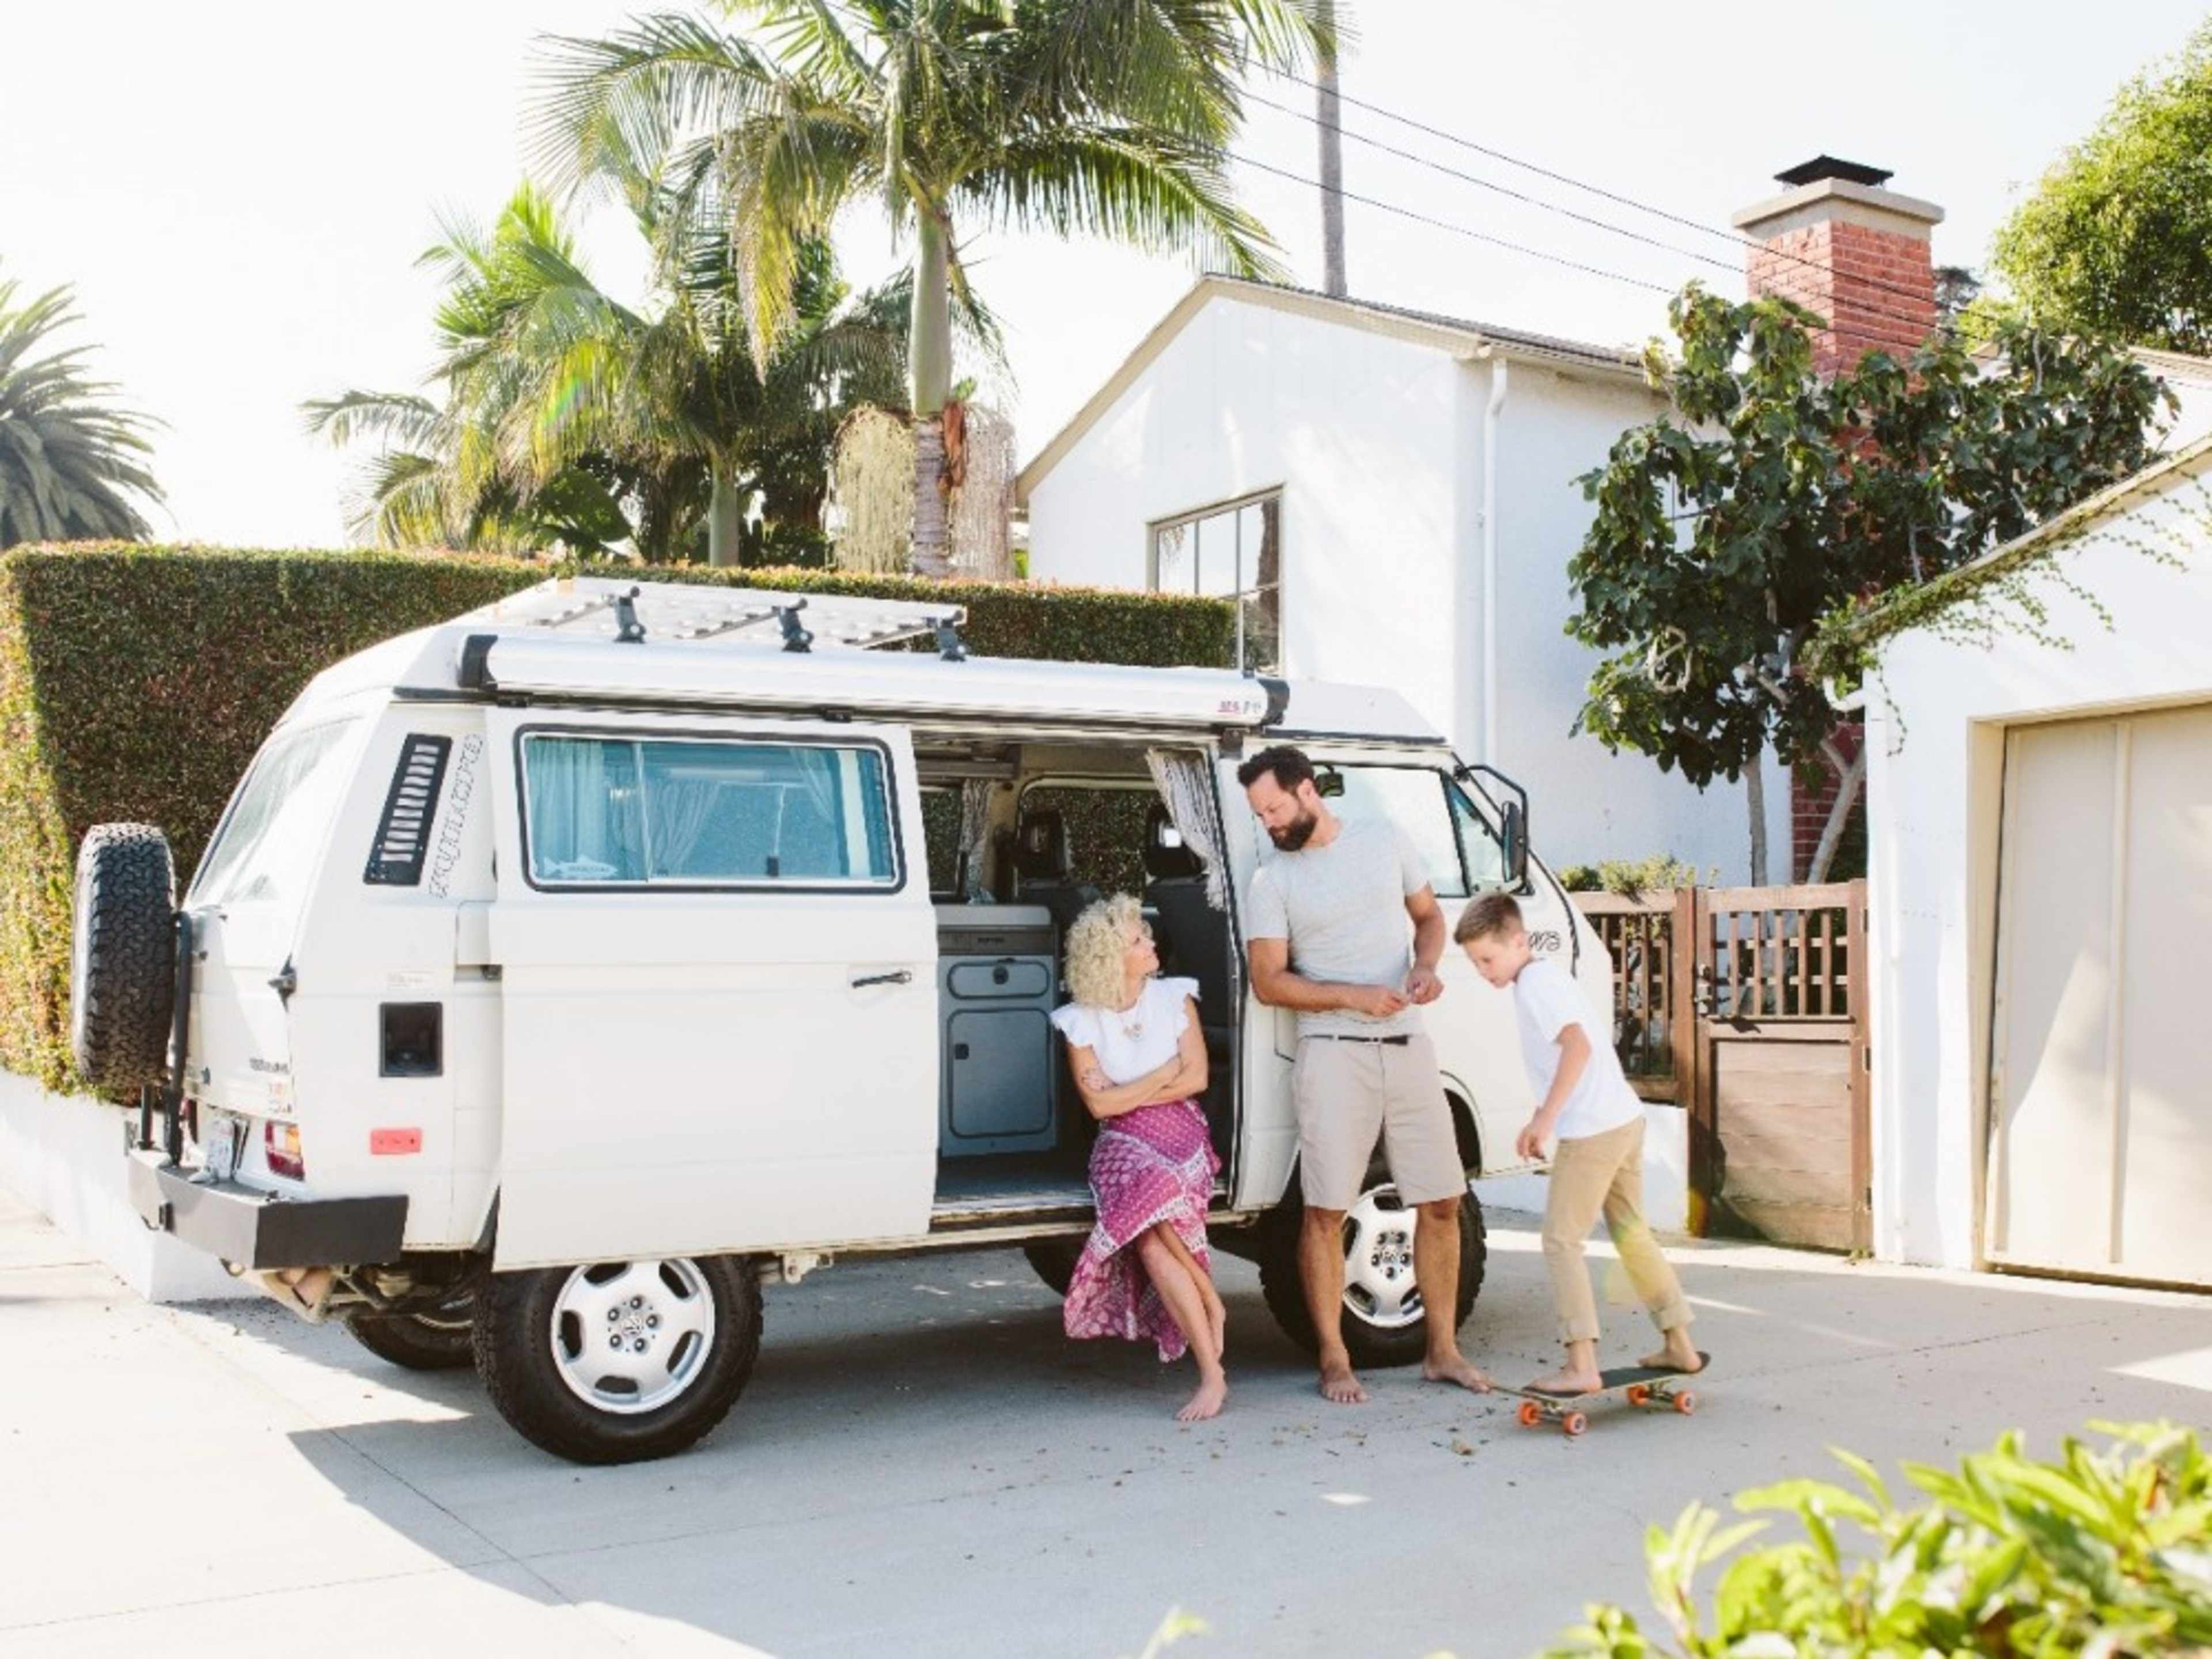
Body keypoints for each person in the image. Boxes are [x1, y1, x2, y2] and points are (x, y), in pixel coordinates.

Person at [1237, 745, 1490, 1406]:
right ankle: (1333, 1358)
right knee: (1323, 1211)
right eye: (1259, 814)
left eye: (1272, 807)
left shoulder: (1385, 841)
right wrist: (1353, 995)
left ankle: (1442, 1352)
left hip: (1408, 1043)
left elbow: (1430, 918)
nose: (1268, 822)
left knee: (1441, 1201)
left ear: (1307, 791)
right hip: (1332, 1051)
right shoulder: (1273, 880)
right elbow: (1269, 983)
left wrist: (1428, 967)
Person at [1453, 892, 1702, 1395]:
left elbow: (1579, 1046)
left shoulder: (1537, 985)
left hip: (1593, 1130)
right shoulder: (1545, 978)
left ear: (1518, 941)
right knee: (1633, 1235)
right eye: (1476, 962)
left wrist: (1544, 1120)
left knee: (1560, 1240)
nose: (1483, 971)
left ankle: (1581, 1364)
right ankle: (1680, 1343)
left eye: (1488, 958)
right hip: (1622, 1119)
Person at [1050, 893, 1228, 1422]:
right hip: (1121, 1143)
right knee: (1150, 1230)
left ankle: (1210, 1361)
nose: (1152, 943)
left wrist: (1129, 1093)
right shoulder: (1080, 1020)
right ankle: (1210, 1343)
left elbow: (1196, 1078)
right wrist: (1159, 1076)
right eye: (1138, 939)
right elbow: (1099, 1104)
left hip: (1181, 1133)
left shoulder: (1175, 997)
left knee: (1155, 1213)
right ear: (1110, 957)